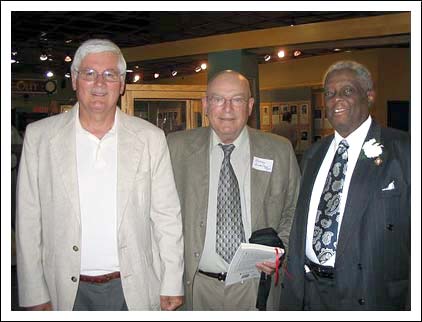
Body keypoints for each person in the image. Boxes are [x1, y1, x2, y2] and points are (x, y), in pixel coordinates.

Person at [16, 39, 184, 311]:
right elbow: (28, 220)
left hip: (133, 288)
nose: (99, 83)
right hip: (64, 289)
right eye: (89, 74)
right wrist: (34, 293)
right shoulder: (40, 137)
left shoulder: (150, 138)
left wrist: (172, 282)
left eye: (109, 75)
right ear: (74, 80)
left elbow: (167, 216)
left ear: (122, 84)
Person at [279, 60, 410, 310]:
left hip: (369, 293)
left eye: (347, 91)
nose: (336, 99)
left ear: (369, 95)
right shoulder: (314, 154)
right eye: (329, 93)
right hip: (309, 292)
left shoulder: (403, 150)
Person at [167, 70, 300, 310]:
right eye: (218, 99)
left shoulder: (279, 151)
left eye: (237, 100)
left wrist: (281, 250)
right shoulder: (176, 149)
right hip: (197, 286)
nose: (227, 108)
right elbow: (161, 214)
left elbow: (294, 209)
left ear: (249, 106)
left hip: (256, 284)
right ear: (205, 105)